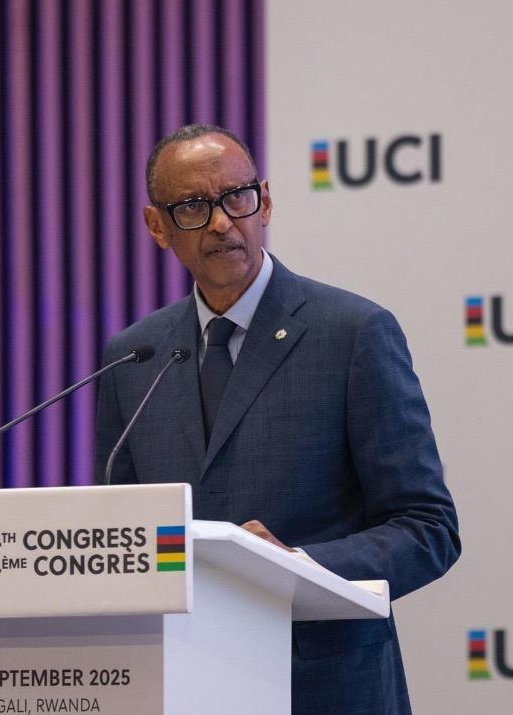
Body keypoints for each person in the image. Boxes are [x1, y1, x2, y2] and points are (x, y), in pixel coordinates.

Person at [95, 123, 461, 715]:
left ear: (264, 202)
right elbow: (119, 539)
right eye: (193, 207)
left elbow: (428, 529)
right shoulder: (136, 356)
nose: (221, 223)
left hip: (326, 688)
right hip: (181, 684)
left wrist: (296, 568)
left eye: (236, 197)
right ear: (157, 226)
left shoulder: (352, 333)